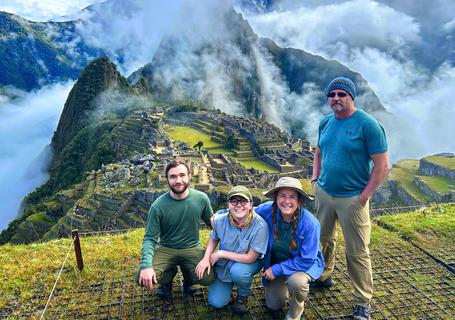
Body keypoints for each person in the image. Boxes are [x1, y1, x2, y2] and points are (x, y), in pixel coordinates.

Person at [311, 76, 389, 320]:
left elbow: (382, 165)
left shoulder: (368, 125)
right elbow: (319, 151)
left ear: (351, 97)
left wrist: (365, 195)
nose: (336, 98)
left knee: (357, 251)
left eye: (341, 94)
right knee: (323, 239)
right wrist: (315, 180)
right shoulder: (326, 123)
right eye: (332, 94)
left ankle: (362, 301)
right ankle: (324, 275)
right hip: (324, 193)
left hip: (353, 198)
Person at [136, 158, 215, 298]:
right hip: (166, 248)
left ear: (190, 176)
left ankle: (189, 278)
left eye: (182, 175)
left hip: (192, 247)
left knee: (208, 277)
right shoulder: (158, 206)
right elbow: (149, 238)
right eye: (173, 176)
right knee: (140, 278)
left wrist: (208, 256)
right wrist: (147, 266)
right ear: (167, 179)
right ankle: (167, 277)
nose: (178, 180)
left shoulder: (201, 199)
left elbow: (215, 226)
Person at [257, 177, 324, 320]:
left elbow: (307, 260)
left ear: (299, 201)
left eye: (292, 197)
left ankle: (296, 307)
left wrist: (276, 270)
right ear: (276, 198)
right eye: (282, 196)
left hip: (301, 266)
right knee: (274, 305)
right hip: (277, 262)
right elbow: (246, 212)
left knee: (296, 283)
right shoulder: (268, 210)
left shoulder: (310, 224)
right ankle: (284, 285)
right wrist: (220, 215)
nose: (287, 201)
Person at [196, 186, 268, 315]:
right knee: (216, 303)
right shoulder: (220, 220)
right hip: (225, 265)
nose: (238, 205)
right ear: (228, 204)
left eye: (243, 201)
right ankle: (226, 289)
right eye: (234, 201)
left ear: (250, 205)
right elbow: (213, 238)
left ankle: (243, 295)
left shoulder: (260, 226)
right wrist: (206, 258)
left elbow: (251, 257)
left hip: (249, 264)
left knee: (238, 271)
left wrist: (220, 253)